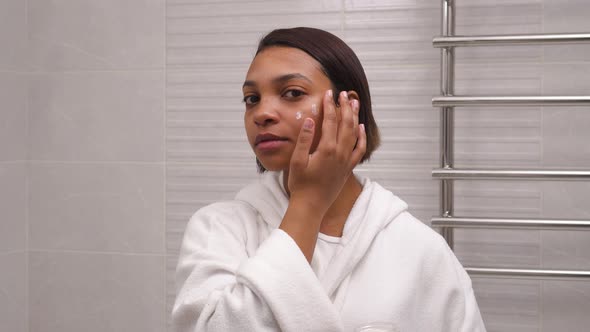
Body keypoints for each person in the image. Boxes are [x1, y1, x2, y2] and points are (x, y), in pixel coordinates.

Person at [172, 27, 486, 332]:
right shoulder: (219, 229)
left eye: (292, 93)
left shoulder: (419, 249)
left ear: (348, 108)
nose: (261, 113)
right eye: (251, 98)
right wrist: (307, 203)